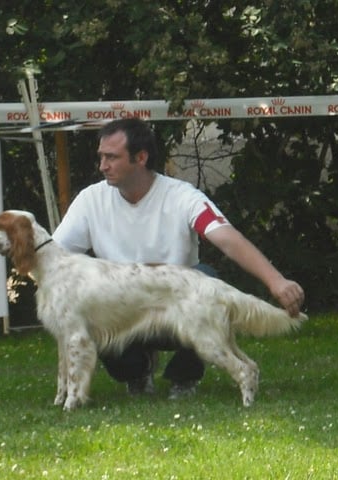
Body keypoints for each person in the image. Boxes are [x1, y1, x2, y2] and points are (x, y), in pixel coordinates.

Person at [52, 118, 305, 399]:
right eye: (101, 157)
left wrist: (276, 281)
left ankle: (184, 379)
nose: (102, 166)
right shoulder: (91, 200)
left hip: (179, 305)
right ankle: (137, 373)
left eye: (111, 157)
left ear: (141, 158)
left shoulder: (182, 196)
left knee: (206, 278)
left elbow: (227, 239)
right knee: (91, 302)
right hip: (121, 309)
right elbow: (55, 256)